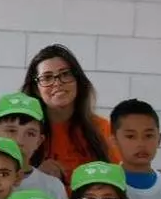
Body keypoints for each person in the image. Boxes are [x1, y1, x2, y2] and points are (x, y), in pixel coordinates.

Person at [21, 45, 120, 184]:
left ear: (78, 80)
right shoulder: (21, 132)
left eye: (65, 74)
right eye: (47, 77)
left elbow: (121, 182)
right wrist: (34, 176)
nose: (57, 83)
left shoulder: (103, 128)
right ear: (36, 89)